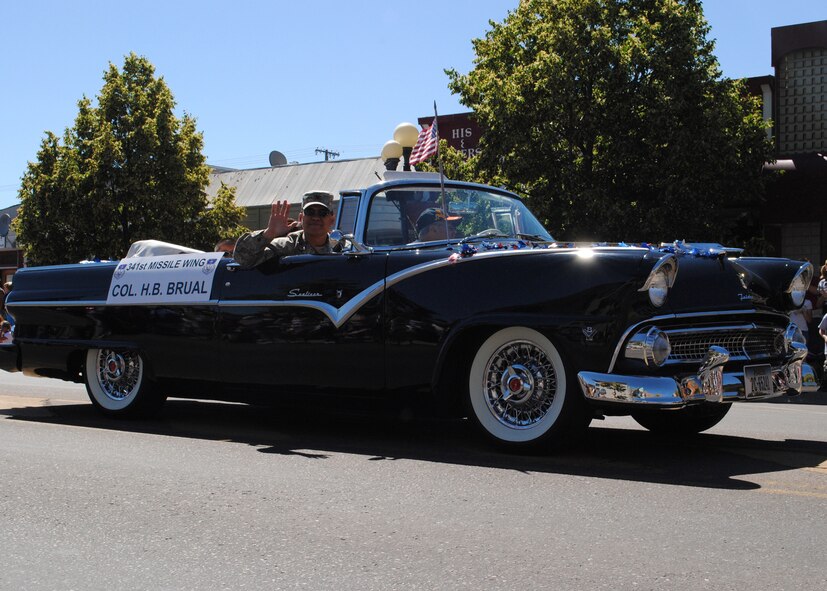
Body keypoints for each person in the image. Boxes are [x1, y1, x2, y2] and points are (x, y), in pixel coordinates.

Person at [234, 191, 340, 268]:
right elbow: (242, 259)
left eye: (322, 213)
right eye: (310, 212)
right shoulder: (285, 246)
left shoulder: (342, 248)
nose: (316, 217)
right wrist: (269, 233)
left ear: (332, 220)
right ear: (301, 218)